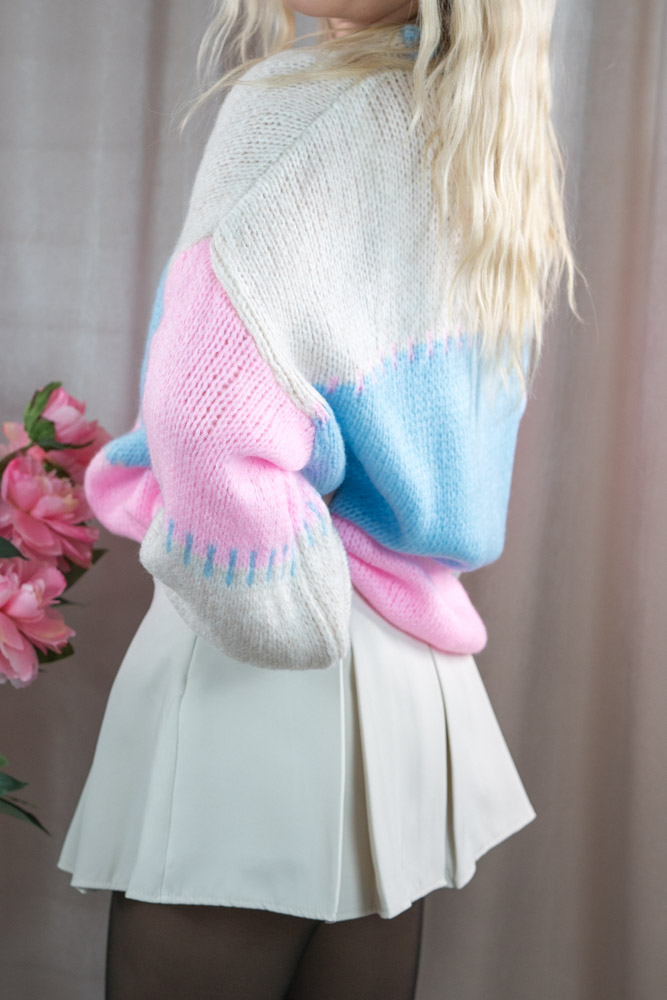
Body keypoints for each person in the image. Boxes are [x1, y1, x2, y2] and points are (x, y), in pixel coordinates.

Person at [57, 1, 580, 997]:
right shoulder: (477, 128)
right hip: (406, 674)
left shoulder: (299, 101)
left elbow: (205, 406)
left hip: (269, 653)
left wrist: (269, 604)